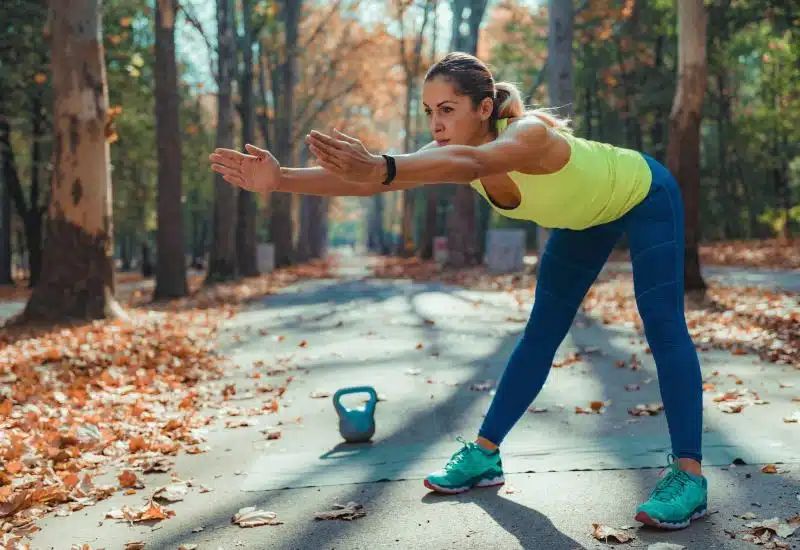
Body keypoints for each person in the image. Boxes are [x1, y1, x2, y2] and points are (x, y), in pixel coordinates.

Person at [208, 51, 707, 530]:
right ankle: (485, 456)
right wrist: (280, 179)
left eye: (447, 109)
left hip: (643, 195)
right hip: (583, 219)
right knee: (540, 333)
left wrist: (383, 165)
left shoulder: (529, 135)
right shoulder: (446, 152)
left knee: (662, 326)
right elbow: (372, 183)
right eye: (429, 112)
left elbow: (467, 164)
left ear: (484, 108)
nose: (436, 124)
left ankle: (689, 477)